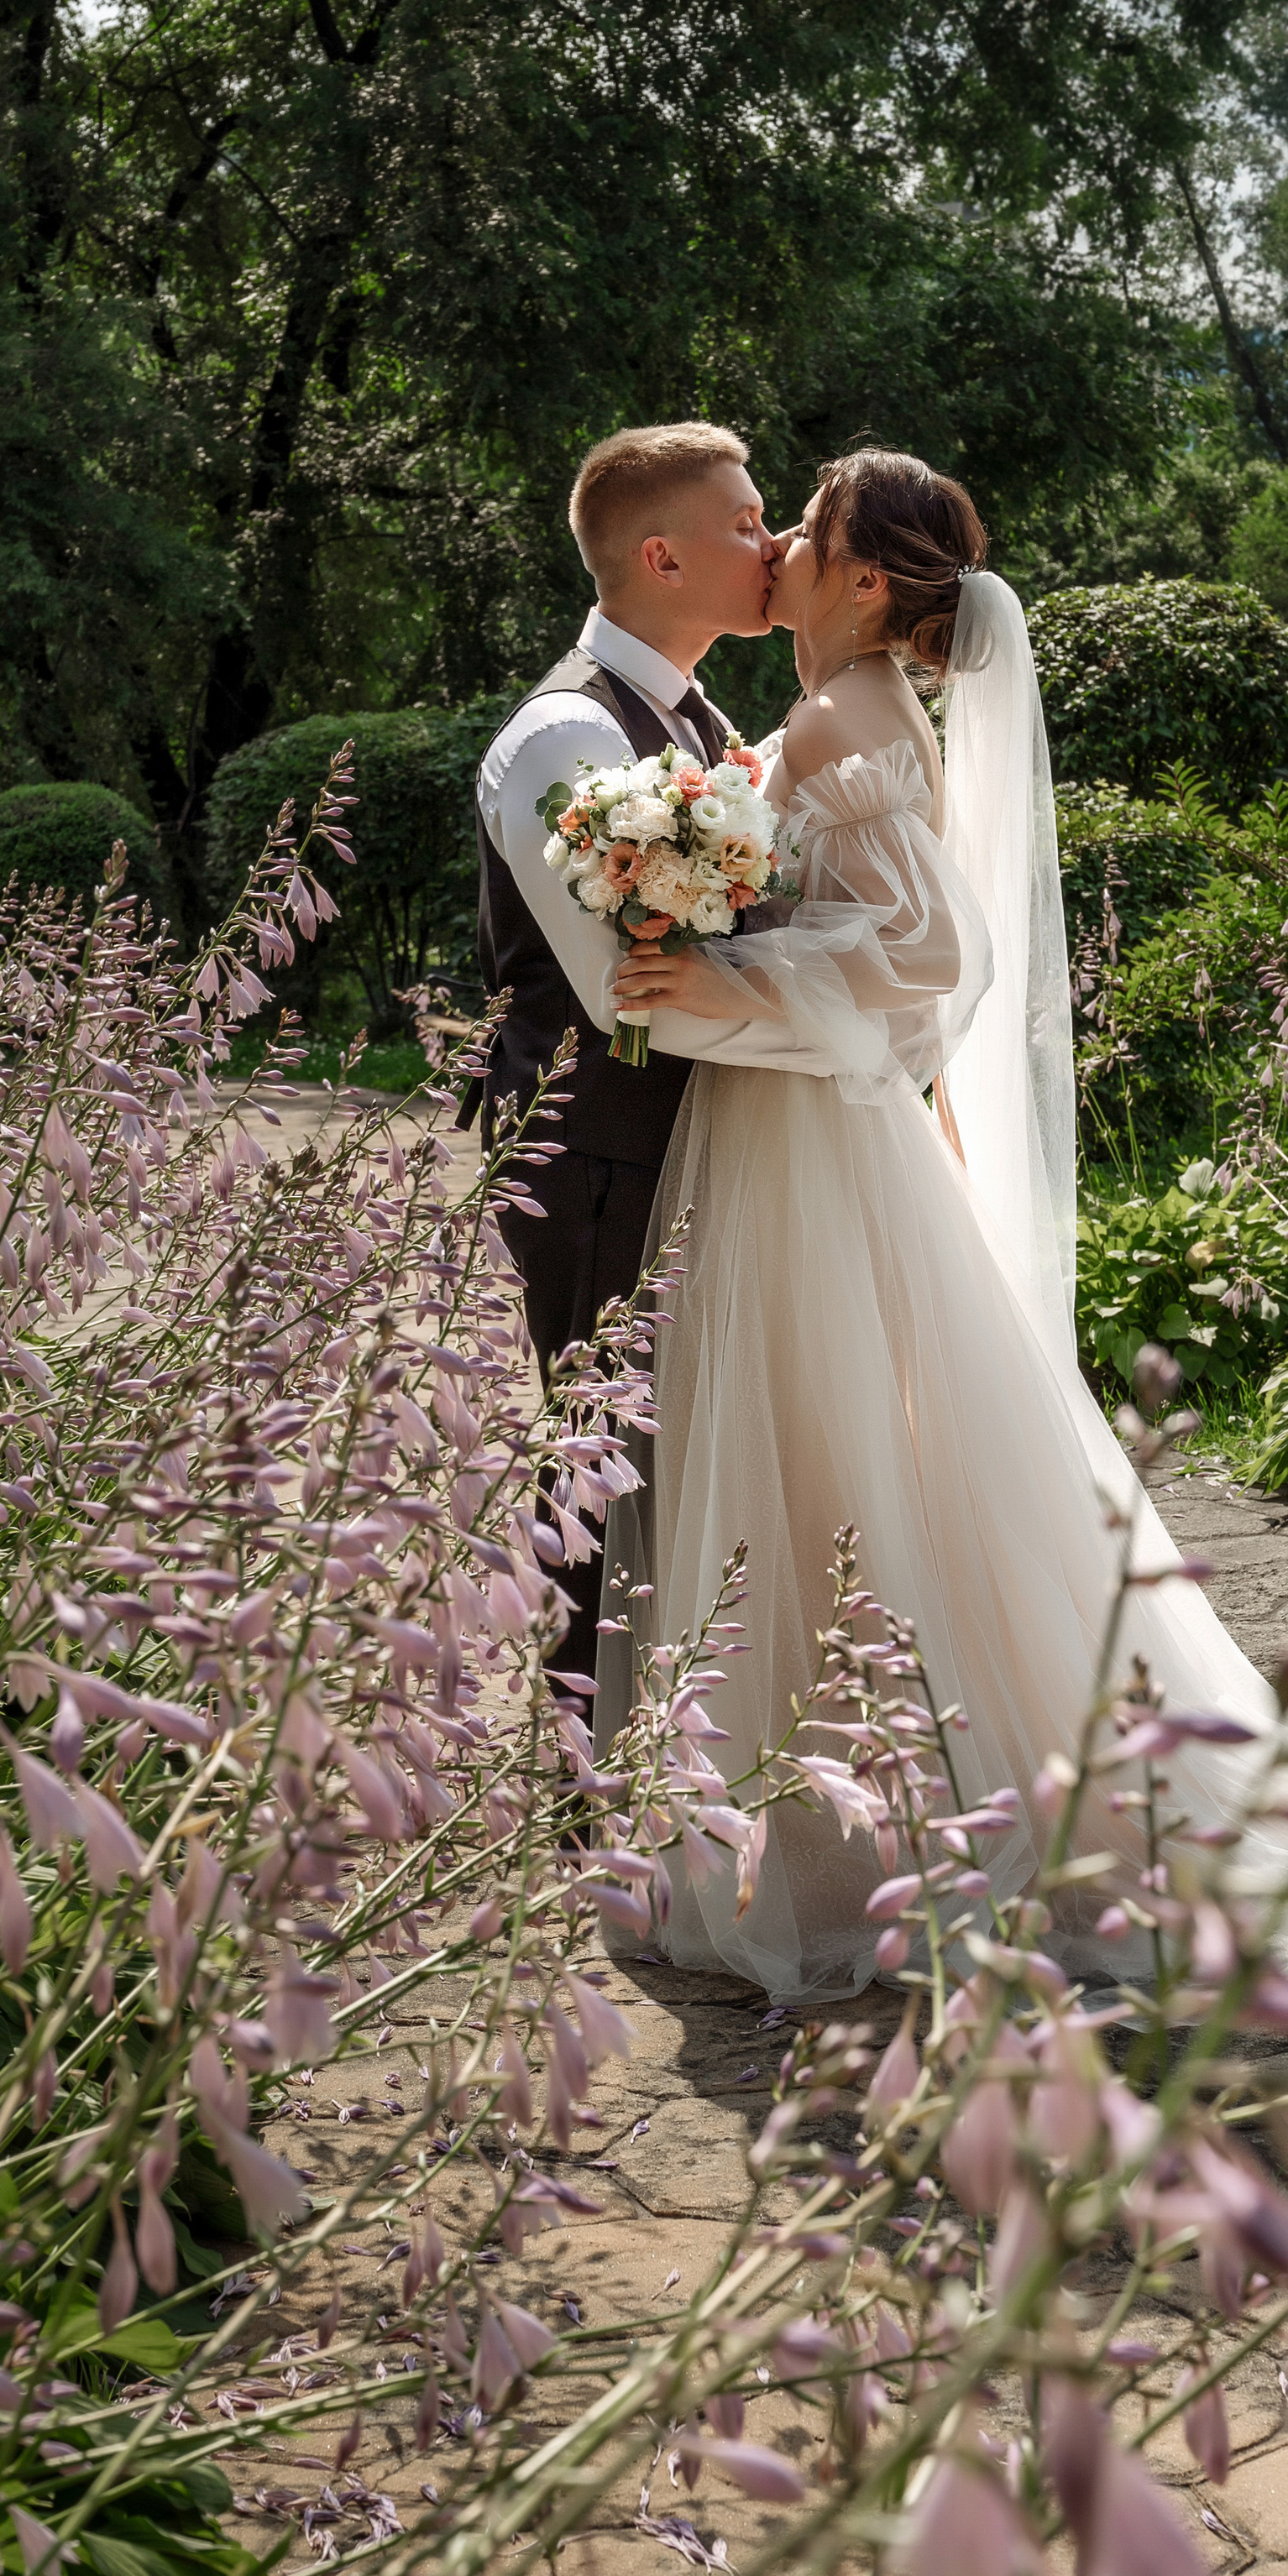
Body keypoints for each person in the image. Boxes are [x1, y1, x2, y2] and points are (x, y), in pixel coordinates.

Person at [597, 446, 1288, 1999]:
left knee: (822, 1461)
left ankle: (843, 1832)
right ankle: (841, 1818)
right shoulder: (841, 713)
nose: (785, 549)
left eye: (808, 531)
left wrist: (724, 984)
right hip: (801, 1135)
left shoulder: (843, 719)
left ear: (870, 579)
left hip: (808, 1148)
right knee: (838, 1467)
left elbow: (931, 959)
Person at [464, 421, 846, 1698]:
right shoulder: (564, 741)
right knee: (602, 1465)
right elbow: (640, 1006)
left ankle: (676, 1765)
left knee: (690, 1463)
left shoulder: (698, 716)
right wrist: (853, 1035)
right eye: (747, 523)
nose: (776, 541)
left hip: (693, 1148)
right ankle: (585, 1800)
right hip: (600, 1156)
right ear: (663, 556)